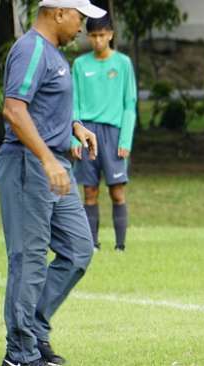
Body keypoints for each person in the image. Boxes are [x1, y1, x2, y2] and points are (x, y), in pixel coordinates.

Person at [0, 1, 106, 365]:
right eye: (80, 16)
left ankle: (33, 331)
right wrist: (45, 159)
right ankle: (21, 354)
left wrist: (75, 126)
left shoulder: (55, 55)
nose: (83, 25)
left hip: (56, 164)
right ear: (58, 12)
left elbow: (45, 104)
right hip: (31, 165)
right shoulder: (30, 50)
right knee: (29, 260)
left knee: (78, 249)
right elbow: (14, 109)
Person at [71, 13, 137, 252]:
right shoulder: (80, 65)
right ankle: (93, 244)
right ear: (88, 37)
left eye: (102, 35)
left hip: (113, 133)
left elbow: (130, 104)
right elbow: (74, 103)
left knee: (117, 191)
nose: (98, 40)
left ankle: (120, 246)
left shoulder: (123, 64)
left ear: (110, 35)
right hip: (86, 132)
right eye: (94, 36)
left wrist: (125, 138)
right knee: (89, 190)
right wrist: (73, 137)